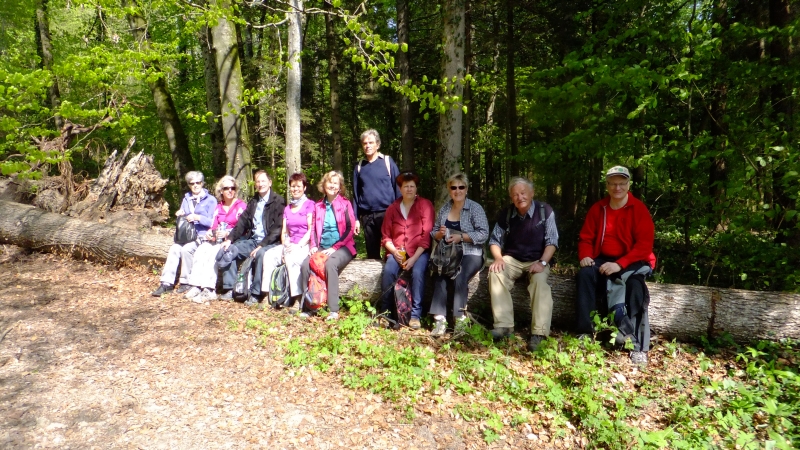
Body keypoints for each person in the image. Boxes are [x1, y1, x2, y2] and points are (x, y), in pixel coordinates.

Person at [576, 166, 656, 366]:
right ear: (607, 185)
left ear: (628, 185)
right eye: (613, 183)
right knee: (585, 275)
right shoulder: (599, 208)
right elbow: (586, 238)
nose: (617, 187)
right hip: (603, 258)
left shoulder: (639, 209)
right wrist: (585, 256)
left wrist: (619, 264)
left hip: (634, 260)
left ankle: (638, 346)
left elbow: (644, 246)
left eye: (621, 183)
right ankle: (586, 332)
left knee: (636, 287)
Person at [488, 177, 559, 352]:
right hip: (512, 259)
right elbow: (494, 240)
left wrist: (542, 262)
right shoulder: (507, 214)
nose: (520, 197)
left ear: (532, 193)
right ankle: (504, 326)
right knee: (496, 273)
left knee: (540, 283)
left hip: (537, 259)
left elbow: (552, 241)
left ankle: (539, 333)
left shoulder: (545, 211)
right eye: (515, 195)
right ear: (511, 198)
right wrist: (498, 258)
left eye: (523, 193)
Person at [428, 173, 489, 337]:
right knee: (439, 274)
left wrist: (461, 237)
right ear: (449, 190)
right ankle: (439, 320)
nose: (457, 191)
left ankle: (459, 320)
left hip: (471, 252)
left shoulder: (475, 208)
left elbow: (483, 234)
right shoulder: (445, 209)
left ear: (466, 189)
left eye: (461, 187)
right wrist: (440, 235)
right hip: (448, 253)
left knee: (459, 275)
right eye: (453, 187)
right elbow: (433, 232)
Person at [219, 170, 286, 305]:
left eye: (263, 181)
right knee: (230, 249)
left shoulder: (278, 202)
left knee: (261, 254)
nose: (260, 184)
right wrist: (229, 239)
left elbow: (277, 229)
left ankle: (256, 293)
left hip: (271, 242)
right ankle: (230, 289)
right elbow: (242, 222)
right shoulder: (253, 201)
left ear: (270, 183)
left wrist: (262, 245)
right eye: (258, 181)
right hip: (253, 240)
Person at [379, 171, 435, 329]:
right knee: (389, 271)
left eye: (412, 186)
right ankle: (386, 313)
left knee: (418, 272)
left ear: (416, 188)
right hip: (397, 252)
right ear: (400, 189)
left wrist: (414, 258)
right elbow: (385, 236)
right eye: (406, 186)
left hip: (419, 252)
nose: (409, 189)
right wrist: (394, 251)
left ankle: (415, 316)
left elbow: (426, 236)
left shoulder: (425, 205)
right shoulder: (393, 208)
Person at [298, 171, 357, 320]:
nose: (332, 185)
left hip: (343, 247)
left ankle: (333, 310)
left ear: (339, 187)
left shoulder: (345, 204)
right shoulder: (318, 205)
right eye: (329, 182)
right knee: (305, 265)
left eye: (336, 183)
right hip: (322, 247)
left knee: (330, 264)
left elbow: (350, 229)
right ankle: (309, 306)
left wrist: (335, 247)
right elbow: (314, 230)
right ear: (324, 185)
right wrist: (313, 246)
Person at [183, 176, 247, 303]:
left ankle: (209, 289)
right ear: (221, 191)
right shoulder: (218, 207)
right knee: (202, 249)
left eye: (232, 188)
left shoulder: (241, 206)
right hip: (216, 239)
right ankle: (196, 285)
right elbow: (213, 226)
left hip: (233, 240)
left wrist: (228, 233)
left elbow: (243, 228)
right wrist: (209, 233)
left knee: (214, 252)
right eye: (226, 188)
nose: (230, 191)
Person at [152, 171, 217, 296]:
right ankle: (166, 283)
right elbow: (183, 215)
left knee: (186, 249)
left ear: (203, 183)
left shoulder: (211, 200)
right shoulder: (186, 199)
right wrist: (180, 214)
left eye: (198, 183)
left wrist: (198, 217)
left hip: (202, 235)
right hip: (186, 234)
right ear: (189, 185)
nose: (195, 185)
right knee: (174, 249)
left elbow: (213, 222)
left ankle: (185, 282)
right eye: (192, 183)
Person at [260, 173, 314, 303]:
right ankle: (268, 295)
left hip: (304, 245)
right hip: (289, 244)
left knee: (292, 258)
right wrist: (285, 246)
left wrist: (299, 245)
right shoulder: (288, 208)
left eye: (298, 186)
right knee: (268, 255)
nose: (295, 189)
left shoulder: (309, 204)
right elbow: (284, 231)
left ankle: (297, 298)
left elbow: (311, 229)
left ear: (304, 188)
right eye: (293, 186)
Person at [352, 129, 400, 259]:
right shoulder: (359, 166)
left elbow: (398, 188)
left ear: (377, 144)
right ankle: (374, 279)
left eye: (371, 142)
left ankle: (395, 279)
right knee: (372, 255)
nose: (367, 146)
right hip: (367, 216)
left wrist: (399, 214)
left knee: (393, 252)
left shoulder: (387, 162)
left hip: (388, 213)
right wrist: (356, 218)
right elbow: (356, 195)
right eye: (365, 143)